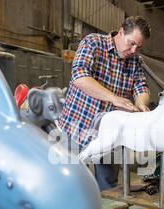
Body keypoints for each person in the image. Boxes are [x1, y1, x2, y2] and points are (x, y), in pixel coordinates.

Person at [58, 16, 151, 191]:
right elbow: (79, 76)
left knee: (109, 187)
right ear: (121, 32)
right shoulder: (93, 43)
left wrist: (141, 105)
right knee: (73, 186)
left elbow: (141, 88)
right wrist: (114, 98)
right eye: (131, 43)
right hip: (77, 127)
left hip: (110, 135)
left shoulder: (136, 61)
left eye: (138, 47)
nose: (133, 50)